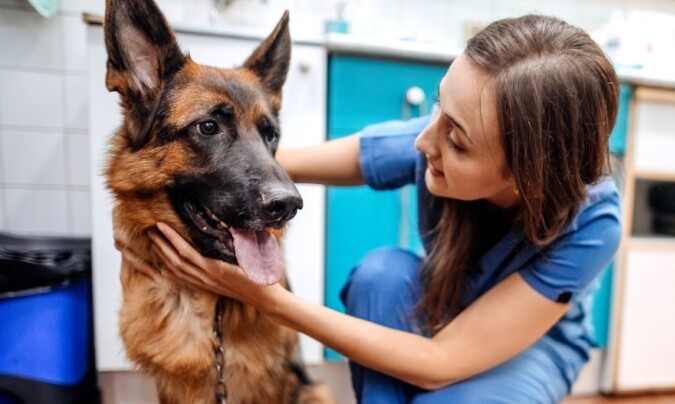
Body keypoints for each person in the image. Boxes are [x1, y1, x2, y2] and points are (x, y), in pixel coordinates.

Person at [121, 14, 622, 403]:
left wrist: (271, 300)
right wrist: (154, 197)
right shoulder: (435, 140)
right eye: (438, 106)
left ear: (526, 173)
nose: (423, 140)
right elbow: (267, 166)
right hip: (443, 309)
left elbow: (441, 361)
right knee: (381, 274)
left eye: (459, 141)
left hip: (529, 347)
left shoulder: (593, 223)